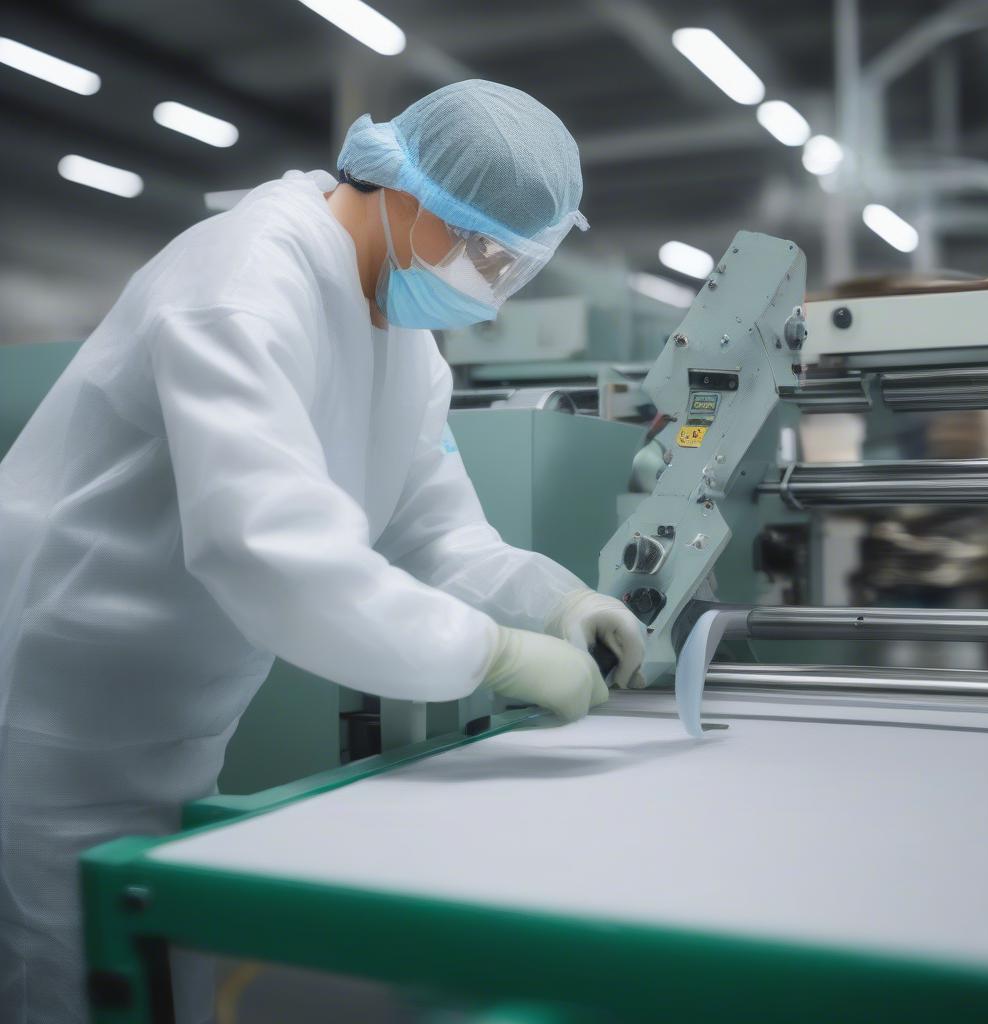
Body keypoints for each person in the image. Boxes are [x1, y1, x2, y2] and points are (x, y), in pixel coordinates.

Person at [0, 79, 645, 1022]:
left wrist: (554, 605)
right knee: (67, 981)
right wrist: (494, 654)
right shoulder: (246, 280)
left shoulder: (402, 337)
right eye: (491, 256)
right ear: (413, 195)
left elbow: (438, 530)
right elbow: (269, 551)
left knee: (155, 970)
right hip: (51, 710)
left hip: (177, 723)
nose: (494, 291)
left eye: (517, 270)